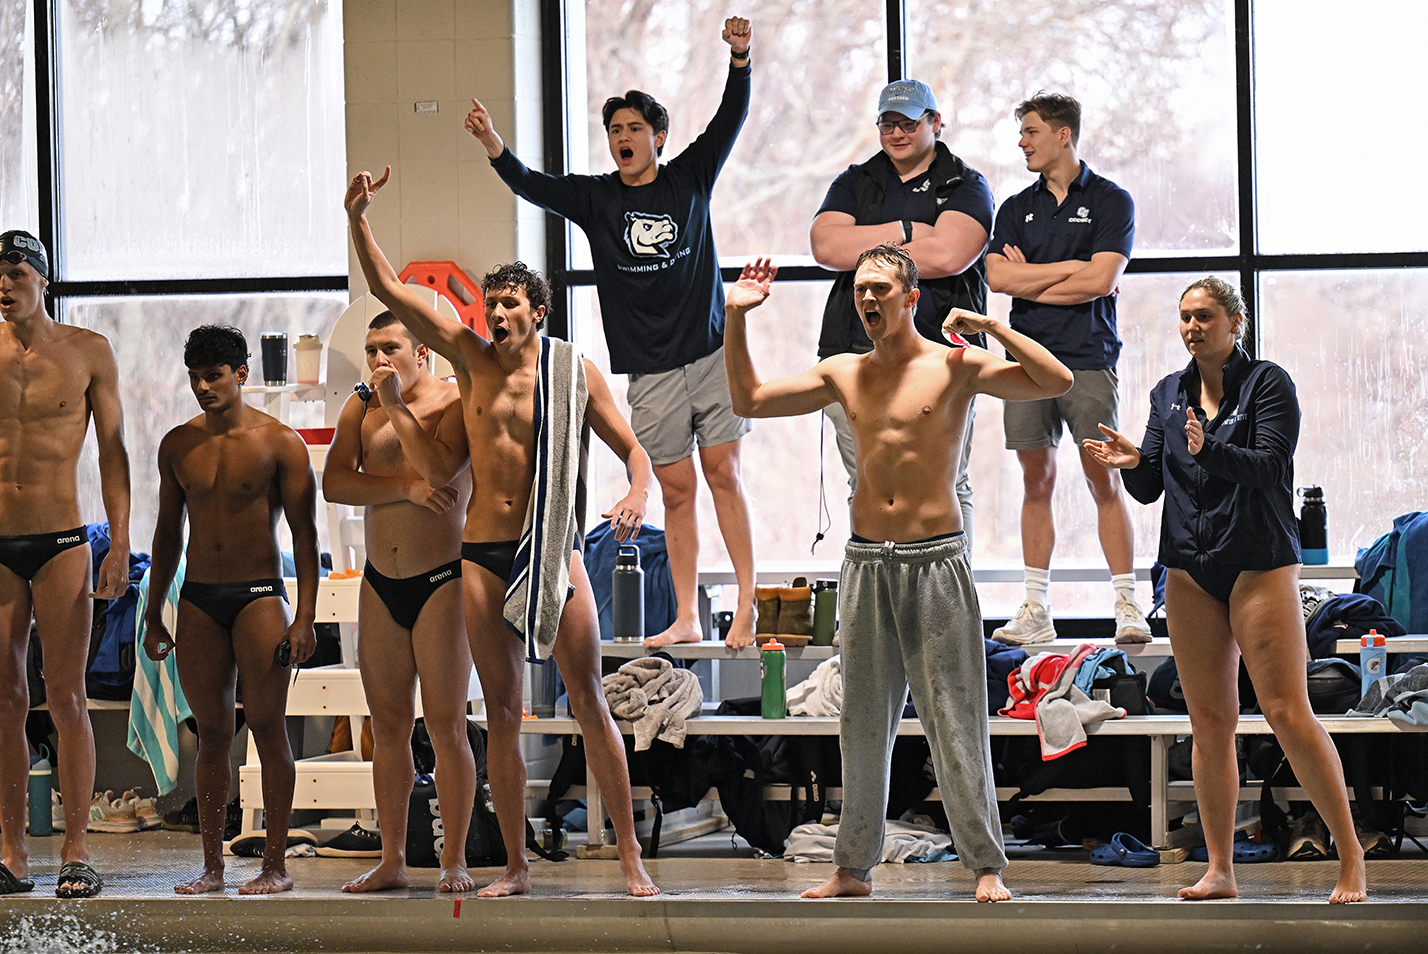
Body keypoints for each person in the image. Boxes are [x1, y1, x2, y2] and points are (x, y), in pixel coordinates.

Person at [723, 245, 1073, 903]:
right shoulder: (841, 373)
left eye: (881, 288)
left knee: (955, 718)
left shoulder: (954, 366)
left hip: (935, 562)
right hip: (865, 565)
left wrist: (996, 329)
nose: (868, 299)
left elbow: (1055, 382)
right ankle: (853, 870)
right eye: (860, 289)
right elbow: (750, 398)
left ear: (911, 298)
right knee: (860, 724)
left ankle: (986, 865)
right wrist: (737, 317)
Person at [345, 167, 659, 897]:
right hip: (482, 557)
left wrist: (638, 491)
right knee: (507, 713)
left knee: (589, 699)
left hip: (554, 547)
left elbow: (633, 449)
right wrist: (359, 218)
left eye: (510, 302)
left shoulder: (572, 371)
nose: (497, 313)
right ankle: (515, 866)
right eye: (491, 303)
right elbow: (393, 294)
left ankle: (631, 858)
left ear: (538, 311)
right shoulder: (471, 363)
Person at [464, 17, 757, 650]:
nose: (623, 138)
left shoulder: (689, 178)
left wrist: (739, 58)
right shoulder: (598, 200)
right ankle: (686, 614)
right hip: (649, 369)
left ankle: (747, 605)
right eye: (614, 130)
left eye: (634, 129)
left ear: (657, 137)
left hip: (708, 354)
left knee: (724, 475)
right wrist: (493, 142)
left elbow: (729, 120)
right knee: (676, 492)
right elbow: (530, 185)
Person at [1083, 277, 1366, 903]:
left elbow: (1269, 467)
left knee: (1288, 713)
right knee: (1210, 722)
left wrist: (1208, 447)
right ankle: (1220, 869)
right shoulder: (1166, 393)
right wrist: (1133, 464)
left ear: (1234, 323)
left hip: (1257, 562)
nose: (1192, 327)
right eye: (1185, 317)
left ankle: (1351, 858)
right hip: (1189, 568)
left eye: (1205, 316)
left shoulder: (1268, 384)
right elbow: (1154, 486)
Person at [143, 325, 320, 896]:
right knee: (213, 733)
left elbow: (306, 537)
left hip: (258, 597)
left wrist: (305, 618)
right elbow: (167, 534)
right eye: (194, 377)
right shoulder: (177, 445)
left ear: (241, 373)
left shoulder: (280, 443)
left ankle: (275, 866)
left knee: (267, 728)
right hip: (197, 599)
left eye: (213, 376)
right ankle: (213, 869)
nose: (202, 387)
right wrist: (152, 613)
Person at [984, 92, 1150, 645]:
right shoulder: (1013, 208)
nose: (1022, 142)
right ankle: (1035, 608)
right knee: (1037, 481)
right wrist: (1070, 271)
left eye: (1031, 131)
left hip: (1088, 360)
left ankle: (1128, 604)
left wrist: (1038, 277)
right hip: (1024, 363)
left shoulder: (1111, 201)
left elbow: (1100, 281)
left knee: (1103, 478)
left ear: (1063, 135)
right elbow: (1000, 280)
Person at [322, 311, 478, 893]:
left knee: (445, 726)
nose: (378, 360)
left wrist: (394, 408)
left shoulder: (454, 403)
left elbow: (442, 467)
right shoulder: (359, 407)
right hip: (380, 580)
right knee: (388, 726)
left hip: (443, 579)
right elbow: (336, 483)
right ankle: (392, 858)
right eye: (371, 350)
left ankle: (454, 858)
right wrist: (404, 489)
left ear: (423, 353)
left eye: (390, 348)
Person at [0, 229, 131, 899]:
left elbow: (113, 453)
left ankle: (76, 850)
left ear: (43, 280)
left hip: (60, 542)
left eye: (17, 271)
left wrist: (118, 542)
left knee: (67, 695)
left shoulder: (87, 352)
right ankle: (12, 852)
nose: (4, 283)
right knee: (5, 699)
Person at [811, 79, 993, 541]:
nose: (897, 133)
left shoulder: (965, 184)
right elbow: (826, 245)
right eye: (887, 124)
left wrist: (867, 243)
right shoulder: (857, 180)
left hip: (944, 354)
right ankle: (879, 594)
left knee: (950, 483)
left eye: (908, 123)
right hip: (859, 353)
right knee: (868, 483)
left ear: (935, 122)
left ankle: (951, 599)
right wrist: (911, 228)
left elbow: (951, 255)